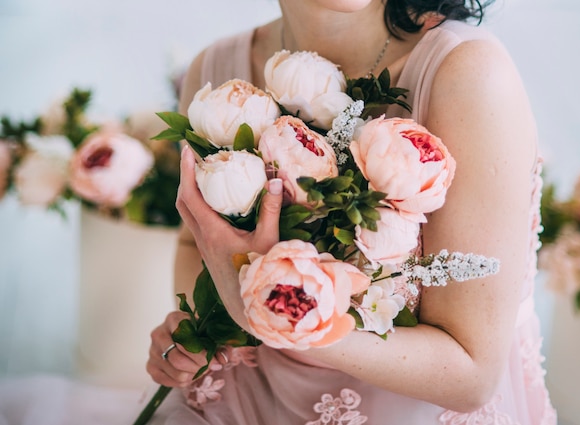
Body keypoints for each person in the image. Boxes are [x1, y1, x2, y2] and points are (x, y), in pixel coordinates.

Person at [146, 1, 557, 423]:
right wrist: (205, 334)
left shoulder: (470, 75)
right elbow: (193, 243)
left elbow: (473, 377)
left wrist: (263, 313)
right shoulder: (217, 76)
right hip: (237, 406)